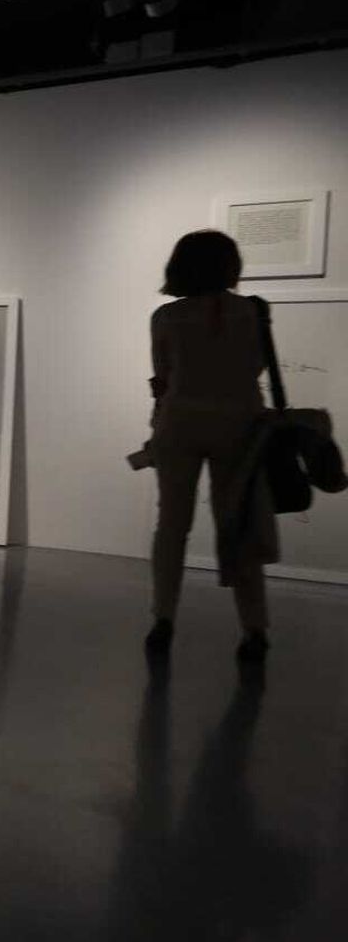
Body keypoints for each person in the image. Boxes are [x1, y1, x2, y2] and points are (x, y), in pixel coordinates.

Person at [143, 230, 273, 663]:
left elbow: (162, 377)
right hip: (239, 423)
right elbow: (256, 365)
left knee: (172, 526)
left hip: (179, 421)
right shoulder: (252, 312)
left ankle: (163, 619)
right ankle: (254, 628)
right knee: (238, 523)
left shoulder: (166, 317)